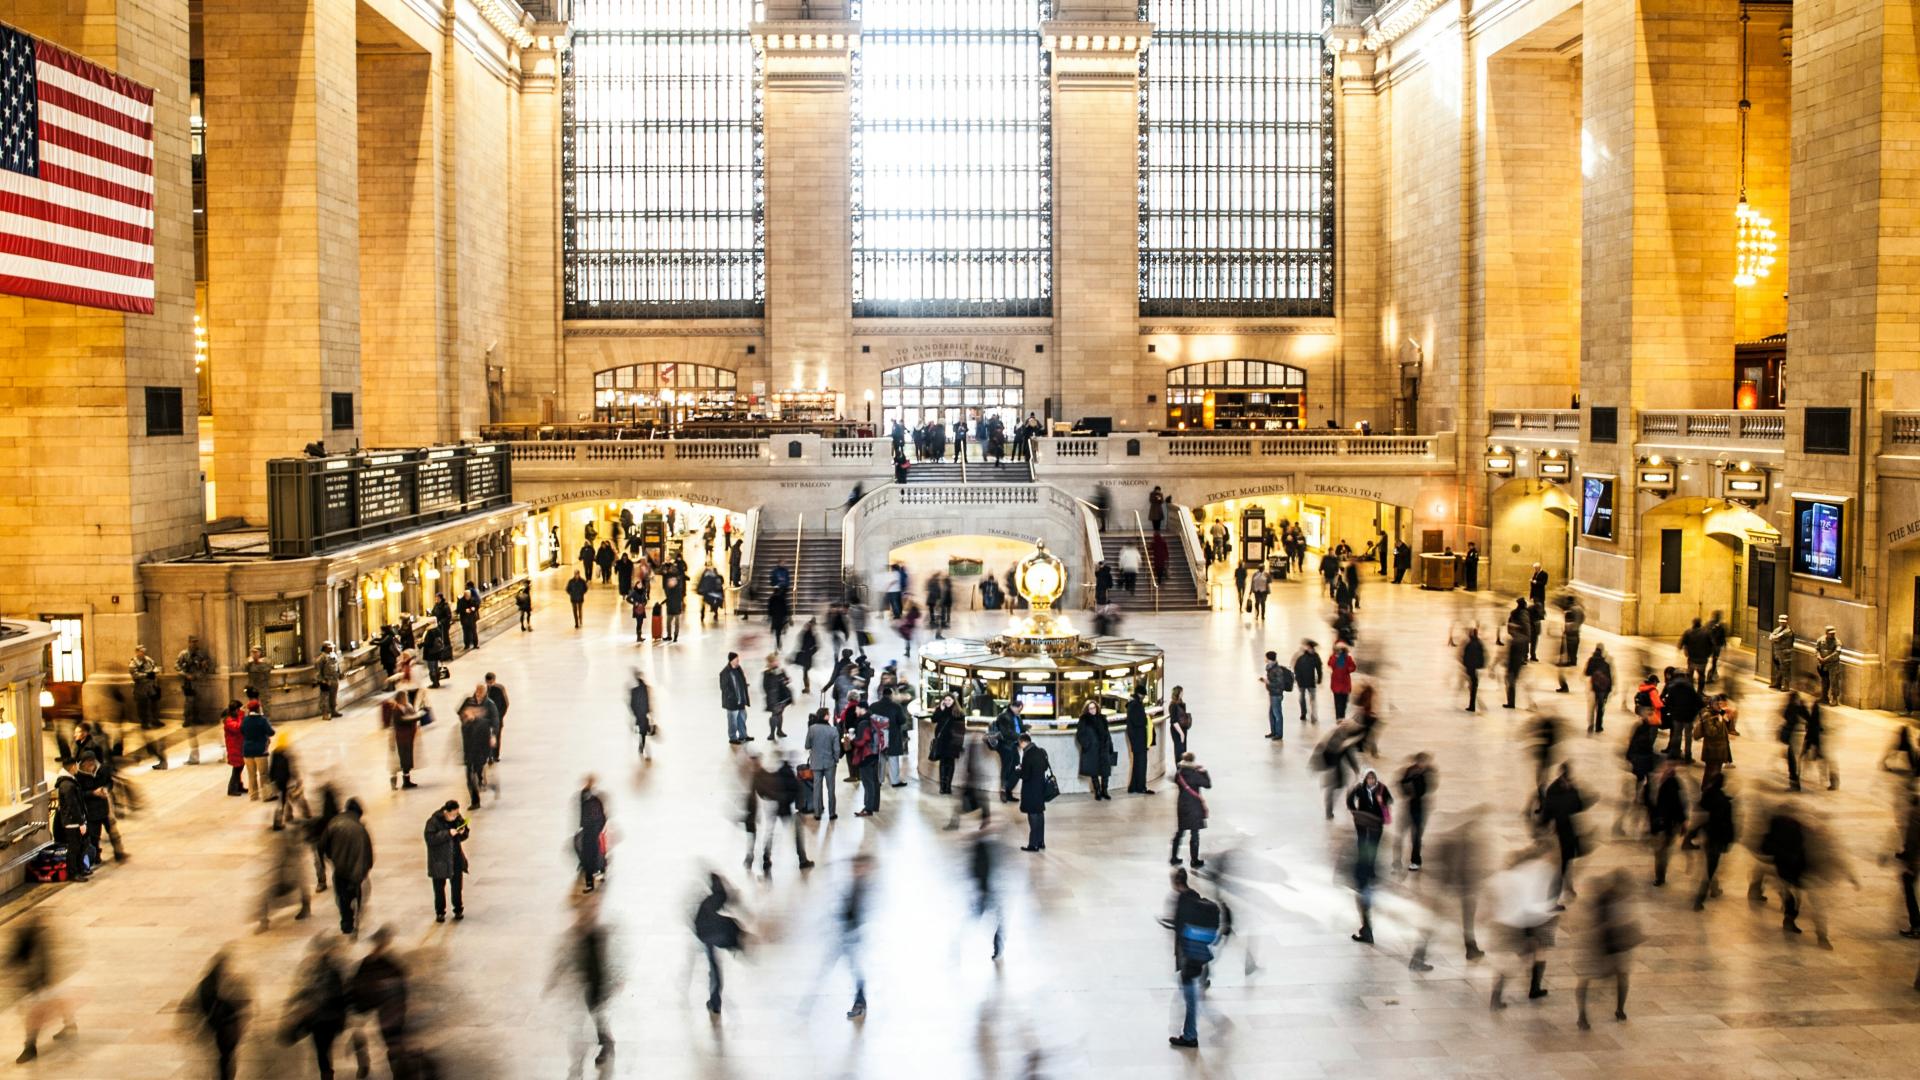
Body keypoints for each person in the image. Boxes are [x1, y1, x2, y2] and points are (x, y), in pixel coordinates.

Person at [550, 895, 616, 1068]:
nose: (584, 917)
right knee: (581, 1022)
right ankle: (579, 1060)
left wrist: (615, 979)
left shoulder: (600, 934)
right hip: (581, 984)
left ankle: (606, 1043)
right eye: (582, 913)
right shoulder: (575, 934)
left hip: (597, 984)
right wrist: (555, 978)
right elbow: (564, 958)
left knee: (595, 1016)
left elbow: (610, 959)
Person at [1165, 867, 1222, 1049]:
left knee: (1190, 999)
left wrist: (1180, 961)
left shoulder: (1181, 902)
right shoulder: (1194, 895)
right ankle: (1190, 1032)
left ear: (1175, 883)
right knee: (1191, 996)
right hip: (1199, 955)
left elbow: (1180, 933)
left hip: (1189, 958)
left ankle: (1190, 1036)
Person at [1575, 870, 1640, 1030]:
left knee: (1621, 976)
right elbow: (1594, 924)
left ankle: (1619, 1009)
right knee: (1588, 978)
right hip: (1599, 945)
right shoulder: (1604, 900)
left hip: (1615, 946)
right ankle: (1583, 1015)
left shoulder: (1623, 899)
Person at [284, 936, 355, 1080]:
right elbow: (344, 994)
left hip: (321, 1018)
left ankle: (327, 1074)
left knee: (322, 1050)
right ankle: (327, 1073)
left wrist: (294, 1003)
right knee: (323, 1049)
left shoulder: (318, 968)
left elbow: (304, 991)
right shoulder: (334, 968)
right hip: (328, 1018)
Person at [11, 914, 77, 1064]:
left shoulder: (33, 934)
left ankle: (30, 1047)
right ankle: (70, 1024)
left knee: (33, 1015)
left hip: (41, 981)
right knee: (56, 1000)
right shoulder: (32, 932)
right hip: (43, 981)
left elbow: (33, 960)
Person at [1346, 769, 1392, 943]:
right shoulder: (1359, 788)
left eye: (1373, 777)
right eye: (1369, 778)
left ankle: (1367, 931)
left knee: (1371, 847)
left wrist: (1382, 802)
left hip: (1375, 824)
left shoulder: (1381, 789)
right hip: (1363, 821)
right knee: (1364, 844)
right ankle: (1367, 930)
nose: (1371, 780)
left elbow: (1389, 801)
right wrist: (1354, 811)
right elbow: (1350, 799)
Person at [188, 952, 249, 1080]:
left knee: (225, 1057)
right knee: (225, 1057)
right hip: (223, 1027)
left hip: (219, 1026)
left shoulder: (207, 983)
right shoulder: (211, 986)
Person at [1536, 765, 1588, 903]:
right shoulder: (1553, 790)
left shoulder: (1572, 789)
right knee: (1561, 865)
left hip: (1568, 831)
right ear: (1562, 778)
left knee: (1567, 861)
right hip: (1557, 833)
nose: (1568, 783)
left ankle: (1566, 887)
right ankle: (1554, 896)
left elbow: (1579, 806)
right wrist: (1543, 828)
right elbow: (1547, 811)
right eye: (1567, 780)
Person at [321, 798, 373, 935]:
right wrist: (367, 867)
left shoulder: (334, 823)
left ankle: (346, 921)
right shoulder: (361, 828)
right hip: (357, 869)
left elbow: (322, 844)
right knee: (355, 892)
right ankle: (356, 915)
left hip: (340, 868)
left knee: (342, 895)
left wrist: (331, 857)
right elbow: (368, 849)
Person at [1693, 771, 1736, 911]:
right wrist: (1730, 840)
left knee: (1709, 864)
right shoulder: (1725, 803)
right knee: (1710, 869)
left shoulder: (1707, 795)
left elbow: (1700, 813)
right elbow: (1728, 824)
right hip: (1717, 839)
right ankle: (1699, 900)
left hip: (1707, 835)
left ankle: (1715, 889)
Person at [74, 753, 127, 864]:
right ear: (82, 763)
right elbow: (79, 794)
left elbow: (109, 782)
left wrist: (106, 789)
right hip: (91, 811)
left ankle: (119, 852)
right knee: (94, 836)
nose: (90, 766)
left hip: (105, 808)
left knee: (113, 831)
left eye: (91, 763)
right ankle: (96, 857)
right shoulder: (78, 775)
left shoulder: (103, 769)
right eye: (87, 764)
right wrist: (93, 793)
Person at [424, 801, 470, 922]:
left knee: (457, 887)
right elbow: (430, 839)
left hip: (456, 859)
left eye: (457, 814)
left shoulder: (458, 819)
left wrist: (462, 832)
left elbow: (464, 835)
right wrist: (448, 833)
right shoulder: (433, 822)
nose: (455, 816)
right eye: (453, 814)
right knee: (439, 889)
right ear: (446, 812)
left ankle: (458, 909)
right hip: (439, 861)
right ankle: (440, 912)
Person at [457, 686, 499, 809]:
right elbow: (460, 713)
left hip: (482, 742)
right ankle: (475, 801)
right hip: (469, 741)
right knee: (470, 772)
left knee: (478, 766)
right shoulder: (468, 701)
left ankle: (482, 779)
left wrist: (493, 736)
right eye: (477, 693)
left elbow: (495, 722)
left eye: (482, 693)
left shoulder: (490, 705)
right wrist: (466, 716)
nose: (479, 695)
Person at [1170, 752, 1211, 867]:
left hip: (1182, 805)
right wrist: (1204, 772)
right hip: (1194, 806)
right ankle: (1194, 860)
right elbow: (1208, 784)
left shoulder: (1179, 774)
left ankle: (1174, 857)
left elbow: (1173, 778)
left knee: (1180, 831)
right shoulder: (1195, 775)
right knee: (1194, 833)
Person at [1398, 752, 1435, 871]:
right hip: (1410, 805)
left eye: (1423, 762)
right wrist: (1406, 793)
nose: (1422, 765)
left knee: (1416, 834)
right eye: (1420, 762)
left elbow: (1430, 787)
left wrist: (1419, 777)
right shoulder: (1410, 770)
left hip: (1421, 806)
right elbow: (1401, 783)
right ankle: (1410, 855)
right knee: (1406, 833)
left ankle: (1415, 860)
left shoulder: (1429, 772)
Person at [1074, 700, 1116, 801]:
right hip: (1092, 749)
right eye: (1090, 708)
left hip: (1103, 748)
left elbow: (1107, 733)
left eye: (1094, 708)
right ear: (1087, 710)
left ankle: (1104, 790)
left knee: (1105, 771)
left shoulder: (1102, 718)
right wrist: (1087, 744)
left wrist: (1110, 745)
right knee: (1094, 771)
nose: (1093, 710)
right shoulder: (1084, 720)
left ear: (1097, 708)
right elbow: (1079, 734)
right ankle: (1097, 791)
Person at [1017, 733, 1051, 852]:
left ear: (1023, 742)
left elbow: (1025, 775)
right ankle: (1041, 841)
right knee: (1040, 814)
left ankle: (1033, 844)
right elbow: (1045, 767)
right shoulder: (1041, 751)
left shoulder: (1028, 754)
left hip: (1030, 789)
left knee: (1032, 816)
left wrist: (1019, 770)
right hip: (1040, 787)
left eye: (1020, 744)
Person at [380, 691, 421, 790]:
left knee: (406, 760)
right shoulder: (396, 709)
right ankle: (394, 784)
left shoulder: (406, 706)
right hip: (398, 739)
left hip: (405, 738)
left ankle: (406, 781)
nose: (406, 699)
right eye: (404, 697)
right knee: (396, 762)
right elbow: (401, 721)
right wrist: (414, 718)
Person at [805, 709, 840, 819]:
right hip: (830, 763)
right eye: (828, 714)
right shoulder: (833, 730)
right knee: (831, 789)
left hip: (816, 763)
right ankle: (832, 813)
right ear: (825, 717)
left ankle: (817, 813)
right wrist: (835, 759)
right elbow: (837, 749)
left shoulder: (812, 729)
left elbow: (807, 745)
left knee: (817, 788)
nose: (829, 716)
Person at [577, 777, 609, 893]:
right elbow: (604, 817)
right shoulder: (590, 800)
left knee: (593, 857)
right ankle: (595, 879)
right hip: (590, 833)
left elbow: (603, 817)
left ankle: (596, 878)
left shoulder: (593, 800)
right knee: (592, 857)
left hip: (592, 834)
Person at [991, 700, 1025, 802]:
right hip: (1005, 746)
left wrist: (1026, 731)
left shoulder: (1017, 717)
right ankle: (1004, 792)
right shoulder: (1003, 716)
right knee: (1007, 769)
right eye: (1019, 709)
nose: (1019, 711)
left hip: (1013, 745)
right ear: (1013, 707)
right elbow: (1006, 733)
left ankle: (1007, 790)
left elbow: (1020, 728)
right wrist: (1021, 736)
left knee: (1017, 768)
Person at [1124, 687, 1154, 795]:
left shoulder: (1132, 704)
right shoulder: (1136, 705)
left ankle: (1133, 787)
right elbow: (1139, 721)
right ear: (1140, 695)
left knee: (1137, 763)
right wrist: (1147, 717)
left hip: (1135, 739)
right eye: (1144, 695)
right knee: (1141, 764)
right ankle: (1141, 787)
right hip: (1139, 739)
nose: (1144, 697)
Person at [719, 653, 751, 745]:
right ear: (731, 660)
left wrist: (744, 686)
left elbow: (741, 680)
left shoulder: (738, 668)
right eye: (737, 659)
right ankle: (732, 738)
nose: (738, 661)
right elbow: (723, 688)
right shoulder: (725, 672)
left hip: (741, 700)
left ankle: (743, 735)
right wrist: (731, 696)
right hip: (732, 702)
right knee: (732, 721)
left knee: (742, 718)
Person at [761, 653, 793, 741]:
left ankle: (779, 731)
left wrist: (786, 680)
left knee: (779, 714)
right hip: (774, 698)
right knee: (774, 715)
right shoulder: (767, 673)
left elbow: (786, 680)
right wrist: (771, 694)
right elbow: (765, 686)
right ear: (770, 663)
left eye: (777, 660)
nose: (777, 662)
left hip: (783, 697)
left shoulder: (781, 670)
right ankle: (772, 733)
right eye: (775, 661)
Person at [128, 644, 161, 729]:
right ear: (137, 652)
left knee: (155, 703)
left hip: (151, 685)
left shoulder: (148, 659)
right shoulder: (133, 663)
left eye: (144, 652)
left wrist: (154, 672)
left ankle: (155, 720)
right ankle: (144, 722)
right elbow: (135, 675)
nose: (143, 653)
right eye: (141, 652)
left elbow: (155, 666)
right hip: (141, 686)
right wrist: (146, 675)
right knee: (142, 705)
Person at [1293, 640, 1324, 726]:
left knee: (1312, 699)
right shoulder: (1301, 656)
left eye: (1312, 649)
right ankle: (1303, 713)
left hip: (1311, 682)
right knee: (1302, 699)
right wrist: (1297, 678)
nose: (1312, 650)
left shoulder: (1315, 657)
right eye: (1310, 648)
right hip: (1302, 682)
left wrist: (1319, 679)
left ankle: (1313, 716)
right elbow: (1296, 668)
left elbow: (1319, 669)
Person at [1584, 644, 1613, 732]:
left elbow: (1587, 673)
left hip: (1593, 687)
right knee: (1600, 708)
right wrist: (1609, 689)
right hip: (1602, 689)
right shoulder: (1605, 663)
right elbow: (1609, 677)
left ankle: (1591, 725)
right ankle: (1598, 726)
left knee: (1591, 707)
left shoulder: (1591, 660)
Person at [221, 700, 246, 797]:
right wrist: (241, 716)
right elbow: (237, 728)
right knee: (236, 769)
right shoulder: (229, 720)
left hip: (239, 746)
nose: (240, 711)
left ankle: (239, 786)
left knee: (240, 767)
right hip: (234, 748)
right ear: (235, 710)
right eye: (239, 709)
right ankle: (232, 789)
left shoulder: (235, 718)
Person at [483, 672, 510, 763]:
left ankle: (495, 755)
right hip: (486, 718)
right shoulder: (483, 689)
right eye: (488, 682)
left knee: (496, 736)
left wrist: (500, 716)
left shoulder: (499, 688)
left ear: (494, 680)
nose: (489, 684)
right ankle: (489, 755)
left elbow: (506, 704)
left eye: (491, 682)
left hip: (497, 718)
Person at [1459, 626, 1487, 712]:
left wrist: (1465, 665)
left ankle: (1472, 705)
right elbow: (1483, 655)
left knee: (1472, 686)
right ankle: (1473, 704)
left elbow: (1465, 656)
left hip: (1471, 668)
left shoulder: (1469, 644)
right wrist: (1482, 665)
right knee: (1473, 685)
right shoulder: (1479, 643)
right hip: (1477, 667)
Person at [314, 640, 344, 719]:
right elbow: (318, 671)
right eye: (330, 647)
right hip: (326, 680)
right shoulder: (321, 658)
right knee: (325, 698)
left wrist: (340, 673)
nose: (332, 649)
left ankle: (333, 710)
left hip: (334, 679)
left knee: (333, 696)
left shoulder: (333, 655)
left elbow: (337, 666)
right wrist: (322, 680)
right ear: (326, 648)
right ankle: (325, 714)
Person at [1815, 626, 1843, 705]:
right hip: (1823, 665)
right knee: (1824, 681)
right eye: (1831, 634)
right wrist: (1819, 657)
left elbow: (1836, 653)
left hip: (1833, 665)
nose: (1833, 635)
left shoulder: (1837, 642)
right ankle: (1824, 697)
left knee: (1834, 681)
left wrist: (1826, 659)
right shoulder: (1820, 640)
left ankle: (1834, 698)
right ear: (1826, 633)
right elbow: (1817, 649)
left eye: (1833, 633)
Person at [1328, 642, 1357, 720]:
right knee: (1337, 702)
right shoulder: (1333, 657)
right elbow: (1330, 664)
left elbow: (1353, 667)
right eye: (1338, 650)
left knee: (1344, 703)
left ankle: (1342, 717)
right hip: (1336, 684)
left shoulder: (1348, 658)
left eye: (1341, 649)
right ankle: (1338, 718)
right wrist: (1336, 657)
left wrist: (1348, 669)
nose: (1340, 651)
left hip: (1345, 684)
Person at [629, 672, 653, 759]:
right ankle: (641, 747)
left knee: (642, 733)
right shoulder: (645, 688)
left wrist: (635, 713)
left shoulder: (634, 691)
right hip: (644, 715)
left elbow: (631, 704)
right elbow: (648, 702)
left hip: (639, 715)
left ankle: (641, 747)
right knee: (643, 733)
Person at [1768, 614, 1795, 689]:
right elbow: (1771, 638)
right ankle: (1778, 683)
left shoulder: (1788, 631)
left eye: (1783, 622)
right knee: (1778, 668)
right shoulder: (1777, 629)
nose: (1782, 623)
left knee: (1785, 669)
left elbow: (1776, 637)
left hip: (1785, 653)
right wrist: (1774, 638)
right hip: (1777, 652)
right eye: (1781, 622)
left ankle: (1786, 685)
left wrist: (1774, 638)